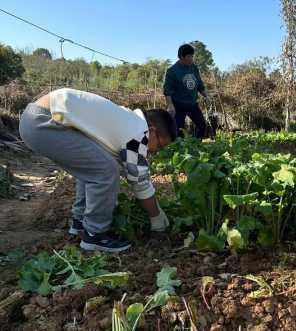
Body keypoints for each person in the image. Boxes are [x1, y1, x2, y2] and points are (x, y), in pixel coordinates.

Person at [19, 88, 176, 253]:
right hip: (43, 122)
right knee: (107, 171)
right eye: (159, 145)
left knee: (95, 166)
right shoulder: (138, 133)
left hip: (38, 118)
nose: (155, 152)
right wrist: (156, 216)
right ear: (152, 131)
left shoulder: (126, 121)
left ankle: (80, 223)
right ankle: (95, 234)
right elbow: (140, 183)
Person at [163, 43, 209, 138]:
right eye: (189, 56)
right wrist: (170, 105)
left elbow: (199, 84)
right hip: (178, 105)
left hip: (192, 104)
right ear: (181, 57)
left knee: (202, 126)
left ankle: (196, 146)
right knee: (179, 131)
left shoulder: (194, 68)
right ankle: (180, 151)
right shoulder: (172, 71)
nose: (192, 58)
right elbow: (167, 90)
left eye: (192, 56)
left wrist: (206, 95)